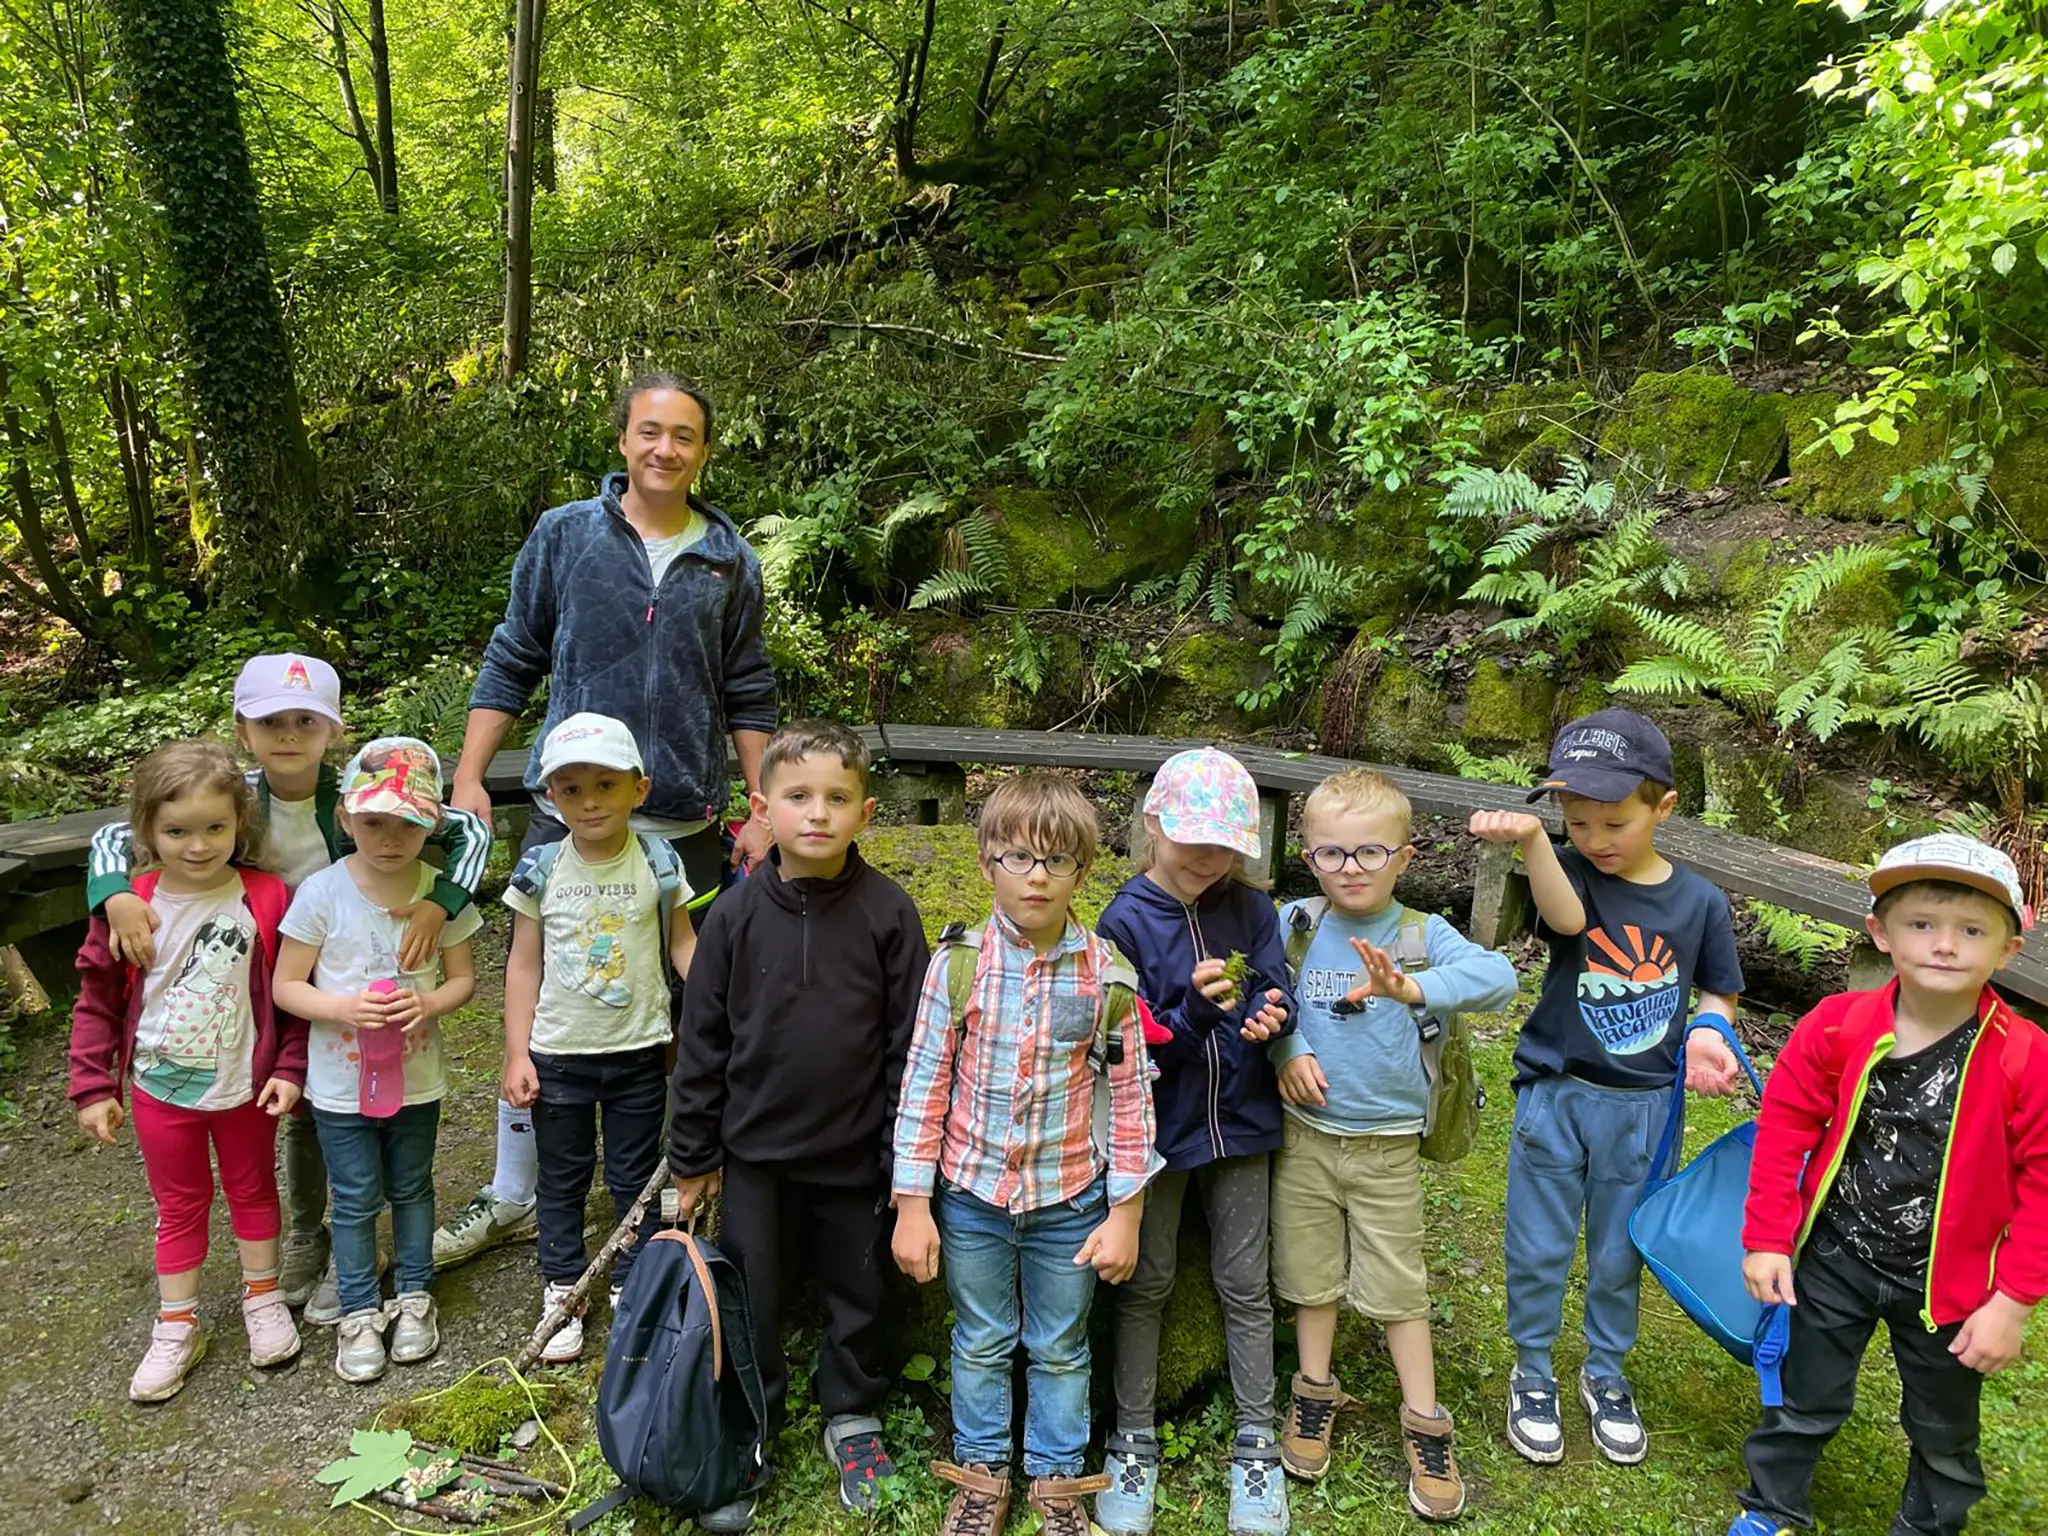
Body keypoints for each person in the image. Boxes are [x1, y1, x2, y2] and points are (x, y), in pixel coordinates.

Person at [437, 371, 778, 1271]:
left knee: (680, 999)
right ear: (624, 439)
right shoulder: (567, 535)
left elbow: (747, 688)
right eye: (650, 431)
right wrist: (471, 773)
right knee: (548, 991)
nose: (666, 448)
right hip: (569, 813)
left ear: (704, 451)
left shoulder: (727, 559)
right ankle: (516, 1190)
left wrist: (764, 804)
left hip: (687, 819)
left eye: (686, 436)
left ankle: (671, 1176)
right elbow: (514, 652)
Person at [81, 653, 491, 1323]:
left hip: (345, 955)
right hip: (262, 960)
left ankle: (360, 1241)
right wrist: (115, 893)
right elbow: (115, 833)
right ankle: (310, 1232)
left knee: (364, 1108)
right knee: (304, 1108)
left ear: (334, 729)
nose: (289, 735)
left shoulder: (360, 794)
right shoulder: (235, 796)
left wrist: (441, 900)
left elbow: (467, 826)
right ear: (244, 729)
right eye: (271, 721)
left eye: (307, 720)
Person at [1726, 834, 2048, 1536]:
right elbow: (1784, 1131)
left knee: (1942, 1425)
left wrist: (2012, 1302)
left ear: (2007, 950)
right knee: (1803, 1399)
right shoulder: (1837, 1026)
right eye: (1922, 924)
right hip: (1837, 1257)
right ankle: (1771, 1508)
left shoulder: (2025, 1058)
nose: (1944, 945)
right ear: (1880, 931)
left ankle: (1929, 1523)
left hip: (1952, 1285)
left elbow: (2044, 1185)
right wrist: (1768, 1240)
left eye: (1971, 931)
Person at [1468, 708, 1745, 1467]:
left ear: (1663, 807)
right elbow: (1566, 921)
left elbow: (1718, 991)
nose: (1594, 838)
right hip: (1557, 1097)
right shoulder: (1572, 873)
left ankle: (1606, 1372)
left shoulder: (1700, 903)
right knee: (1537, 1243)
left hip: (1645, 1110)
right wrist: (1534, 845)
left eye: (1614, 821)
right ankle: (1532, 1368)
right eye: (1575, 820)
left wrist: (1708, 1032)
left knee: (1621, 1251)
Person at [669, 720, 930, 1527]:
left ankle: (851, 1413)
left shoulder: (890, 915)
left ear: (866, 812)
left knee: (859, 1291)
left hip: (856, 1158)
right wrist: (693, 1157)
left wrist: (900, 1159)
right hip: (755, 1159)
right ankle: (750, 1424)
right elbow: (702, 1042)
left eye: (837, 798)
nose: (817, 814)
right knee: (752, 1295)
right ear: (761, 808)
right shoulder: (735, 919)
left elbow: (909, 1047)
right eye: (798, 797)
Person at [892, 774, 1161, 1536]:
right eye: (1017, 857)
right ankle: (982, 1475)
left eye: (1057, 861)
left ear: (1084, 871)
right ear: (987, 865)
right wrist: (913, 1204)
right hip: (971, 1196)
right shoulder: (957, 967)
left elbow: (1133, 1100)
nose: (1037, 875)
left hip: (1069, 1199)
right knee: (979, 1339)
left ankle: (1056, 1482)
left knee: (1061, 1346)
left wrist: (1127, 1212)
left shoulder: (1107, 978)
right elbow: (923, 1086)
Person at [1269, 770, 1517, 1521]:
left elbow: (1499, 976)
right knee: (1309, 1275)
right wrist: (1286, 1053)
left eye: (1370, 853)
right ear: (1307, 856)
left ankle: (1425, 1420)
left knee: (1399, 1285)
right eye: (1332, 854)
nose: (1351, 869)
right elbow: (1264, 995)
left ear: (1403, 858)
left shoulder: (1418, 934)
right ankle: (1314, 1391)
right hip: (1305, 1140)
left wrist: (1415, 990)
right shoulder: (1297, 925)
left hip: (1387, 1150)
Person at [68, 740, 308, 1403]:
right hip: (158, 1092)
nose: (197, 845)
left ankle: (262, 1300)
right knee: (179, 1205)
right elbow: (96, 1000)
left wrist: (289, 1068)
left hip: (244, 1088)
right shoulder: (129, 903)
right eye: (176, 831)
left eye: (214, 828)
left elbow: (290, 996)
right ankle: (177, 1325)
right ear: (145, 830)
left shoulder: (266, 898)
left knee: (255, 1190)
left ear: (240, 825)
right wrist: (93, 1086)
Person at [1095, 747, 1294, 1536]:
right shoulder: (1124, 920)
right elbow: (1134, 1044)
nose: (1207, 858)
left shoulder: (1252, 911)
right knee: (1147, 1282)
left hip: (1243, 1125)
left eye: (1224, 845)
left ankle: (1256, 1442)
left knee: (1245, 1282)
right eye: (1191, 841)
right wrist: (1198, 1015)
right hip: (1160, 1130)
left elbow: (1274, 982)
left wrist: (1273, 1015)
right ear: (1152, 826)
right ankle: (1131, 1438)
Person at [272, 738, 481, 1383]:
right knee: (356, 1196)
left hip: (417, 1079)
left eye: (408, 824)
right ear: (344, 818)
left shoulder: (440, 894)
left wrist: (429, 1004)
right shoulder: (321, 893)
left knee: (414, 1185)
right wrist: (342, 1009)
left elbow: (463, 980)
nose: (390, 838)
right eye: (373, 822)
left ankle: (414, 1295)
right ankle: (360, 1308)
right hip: (337, 1084)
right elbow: (287, 985)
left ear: (431, 825)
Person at [501, 714, 699, 1364]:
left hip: (640, 1051)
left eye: (605, 786)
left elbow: (681, 944)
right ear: (550, 796)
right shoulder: (540, 868)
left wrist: (724, 1004)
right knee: (560, 1178)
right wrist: (516, 1052)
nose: (589, 802)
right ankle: (563, 1288)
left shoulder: (658, 860)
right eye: (571, 788)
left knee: (635, 1176)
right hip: (558, 1056)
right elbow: (523, 964)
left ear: (638, 790)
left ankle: (631, 1279)